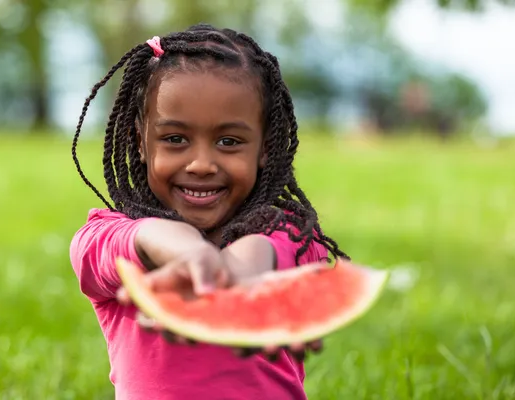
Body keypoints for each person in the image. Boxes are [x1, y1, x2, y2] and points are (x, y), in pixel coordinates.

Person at [69, 23, 349, 400]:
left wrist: (235, 274)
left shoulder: (291, 236)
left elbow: (270, 256)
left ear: (265, 147)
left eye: (228, 141)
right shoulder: (111, 237)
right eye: (175, 139)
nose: (201, 163)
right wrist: (186, 251)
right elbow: (119, 244)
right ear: (140, 142)